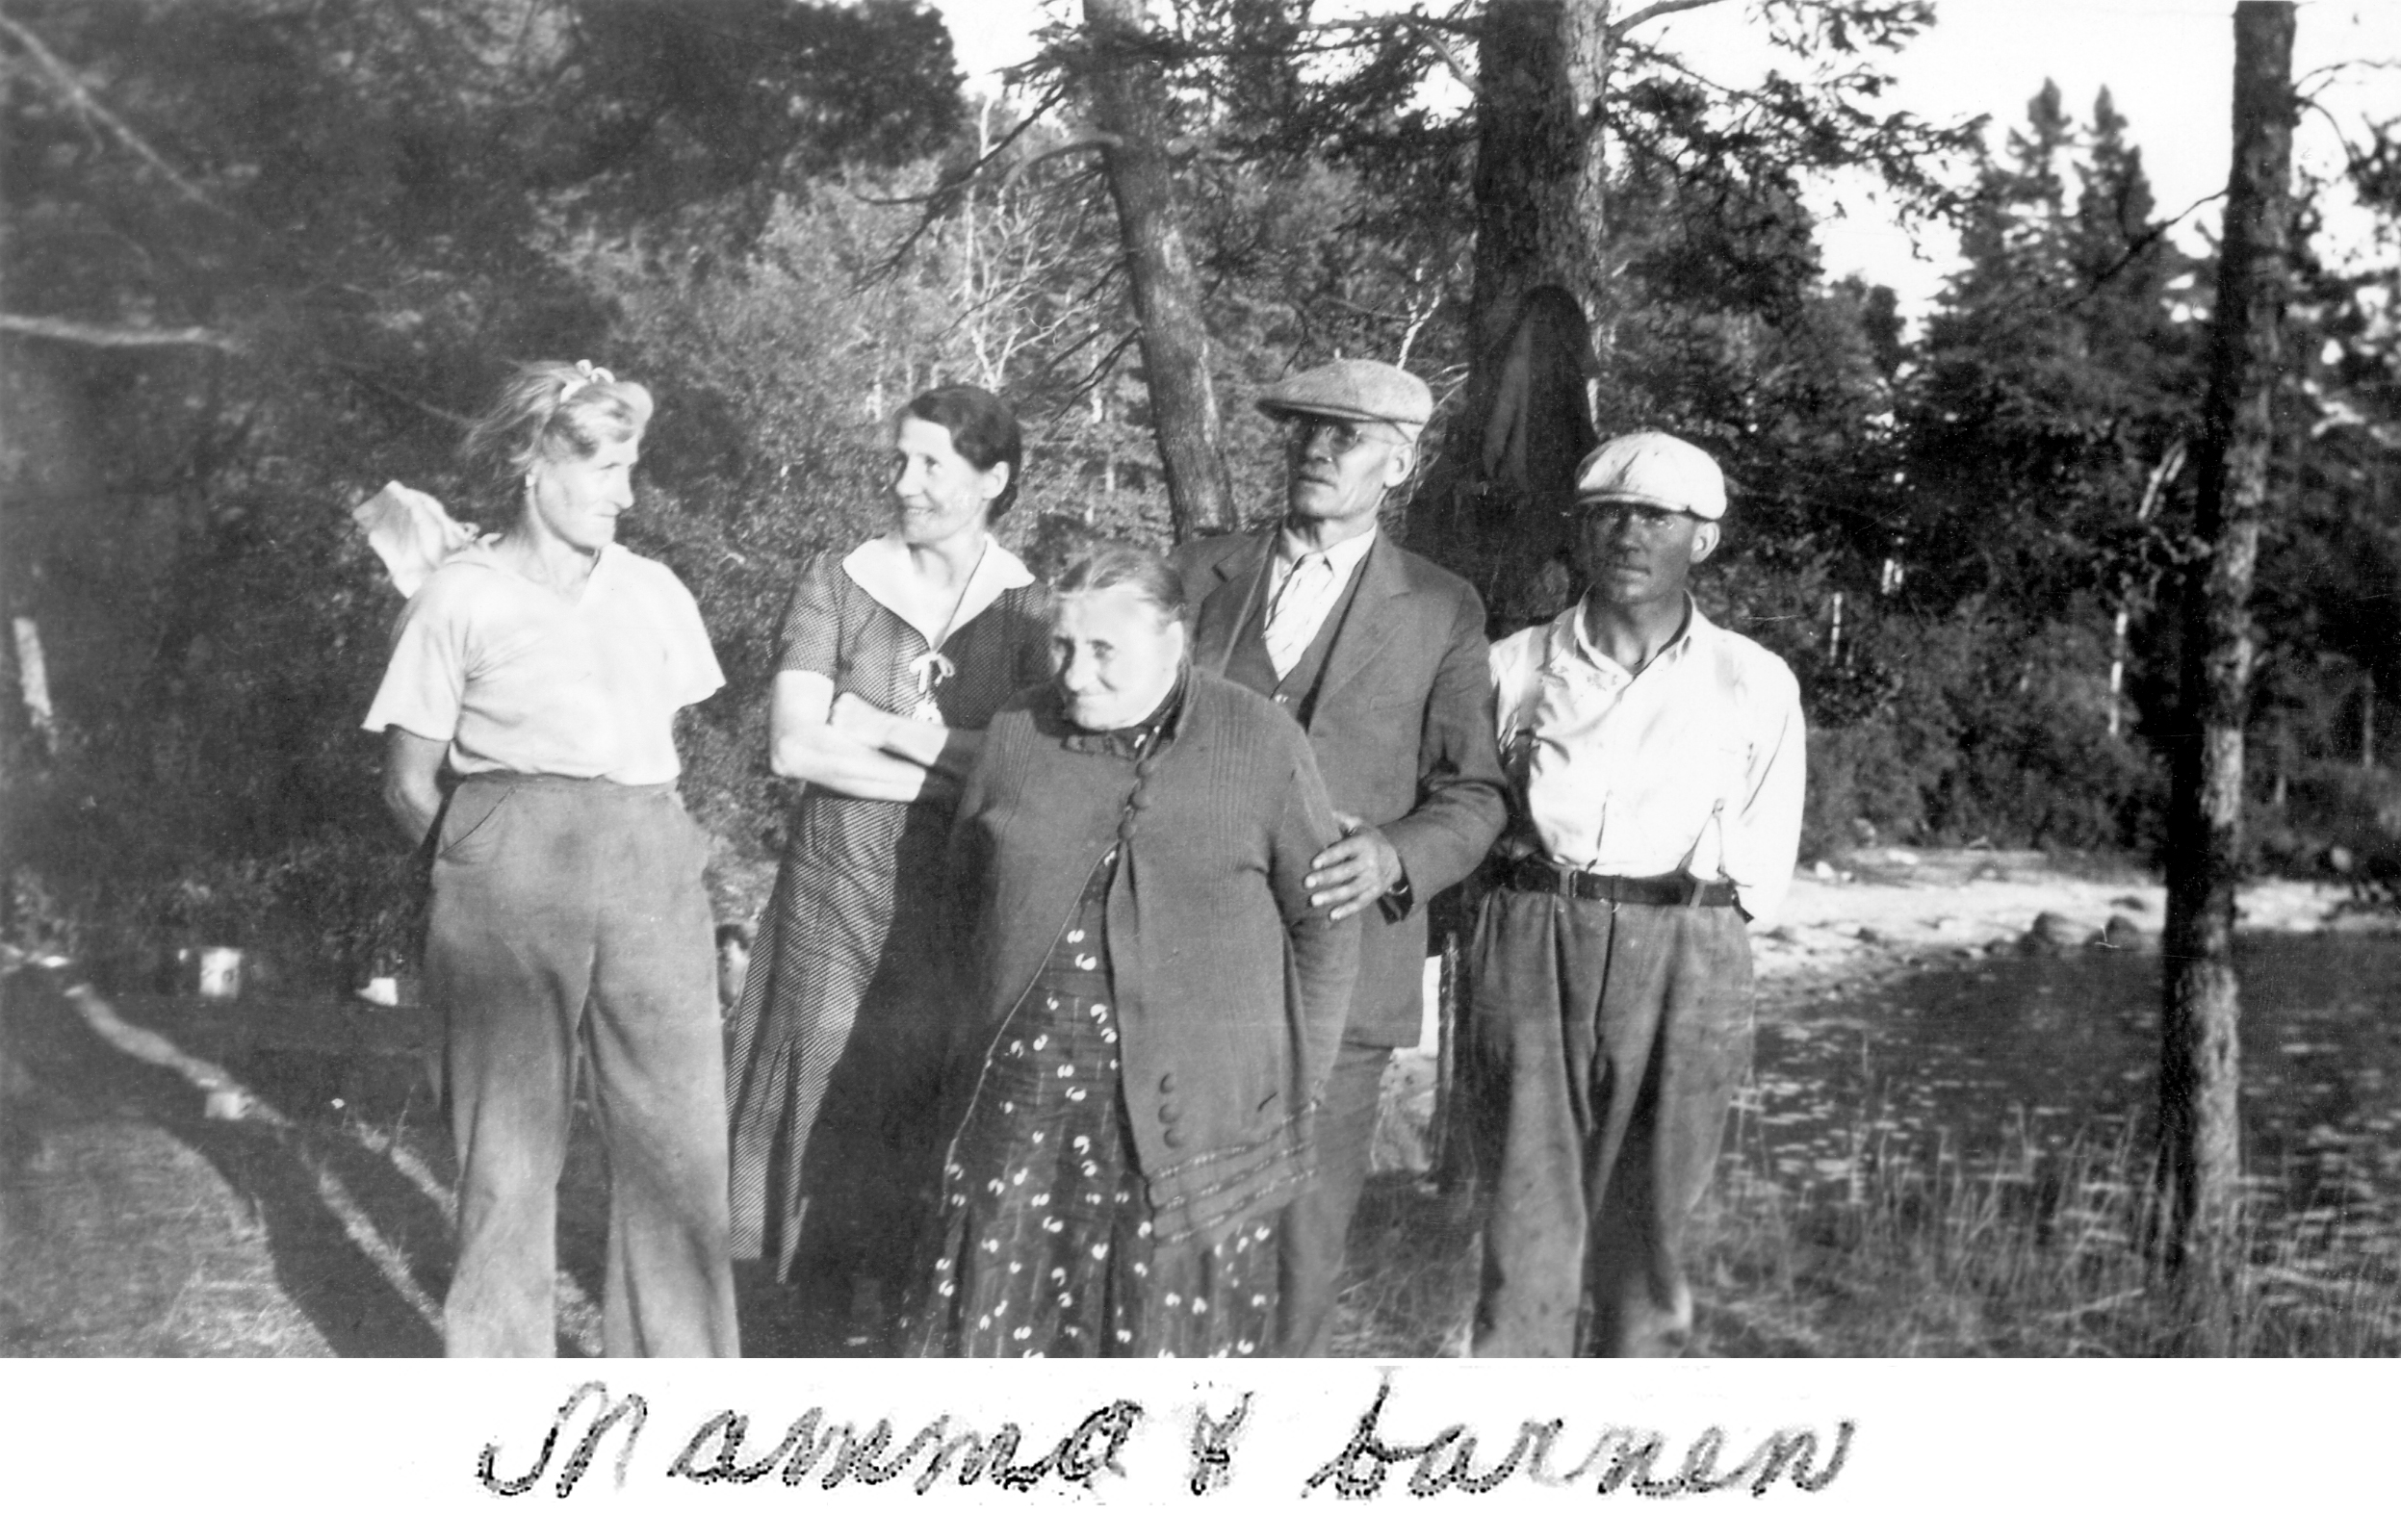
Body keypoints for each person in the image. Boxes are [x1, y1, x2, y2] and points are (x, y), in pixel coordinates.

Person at [365, 360, 737, 1356]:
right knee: (507, 1157)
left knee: (681, 1146)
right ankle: (498, 1405)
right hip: (505, 865)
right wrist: (485, 871)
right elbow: (408, 780)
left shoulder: (655, 591)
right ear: (534, 463)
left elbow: (668, 745)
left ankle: (689, 1406)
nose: (625, 494)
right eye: (606, 468)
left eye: (632, 468)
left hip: (651, 859)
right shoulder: (460, 596)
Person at [902, 544, 1358, 1357]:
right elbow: (963, 899)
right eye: (1062, 647)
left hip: (1197, 1111)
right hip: (1025, 1099)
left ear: (1172, 642)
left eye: (1104, 650)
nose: (1075, 675)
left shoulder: (1258, 741)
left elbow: (1324, 921)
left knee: (1163, 1336)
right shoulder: (1016, 731)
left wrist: (1299, 1080)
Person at [1171, 359, 1508, 1356]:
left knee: (1300, 1250)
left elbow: (1476, 791)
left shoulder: (1442, 607)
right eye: (1304, 430)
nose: (1315, 449)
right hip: (1184, 958)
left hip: (1344, 972)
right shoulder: (1198, 573)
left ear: (1396, 464)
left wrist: (1395, 855)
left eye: (1344, 436)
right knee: (1172, 1223)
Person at [723, 383, 1050, 1349]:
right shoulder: (839, 581)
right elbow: (794, 749)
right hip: (834, 892)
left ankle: (896, 1322)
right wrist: (949, 764)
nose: (902, 483)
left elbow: (1025, 770)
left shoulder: (1030, 612)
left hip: (956, 906)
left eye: (930, 465)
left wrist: (877, 727)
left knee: (922, 1098)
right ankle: (797, 1318)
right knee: (818, 1089)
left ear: (993, 480)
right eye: (898, 460)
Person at [1468, 430, 1805, 1357]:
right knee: (1523, 1212)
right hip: (1535, 931)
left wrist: (1698, 933)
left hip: (1688, 948)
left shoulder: (1753, 678)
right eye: (1607, 513)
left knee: (1651, 1221)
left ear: (1702, 539)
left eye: (1655, 516)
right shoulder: (1515, 664)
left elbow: (1766, 853)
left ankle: (1628, 1433)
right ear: (1582, 531)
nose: (1627, 533)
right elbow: (1472, 806)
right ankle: (1503, 1440)